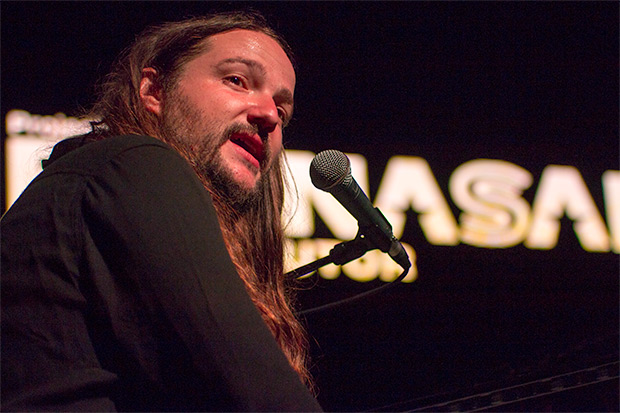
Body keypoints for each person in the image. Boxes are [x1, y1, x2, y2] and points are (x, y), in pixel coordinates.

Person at [1, 11, 322, 412]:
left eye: (282, 110)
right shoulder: (137, 163)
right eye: (237, 80)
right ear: (154, 91)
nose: (270, 115)